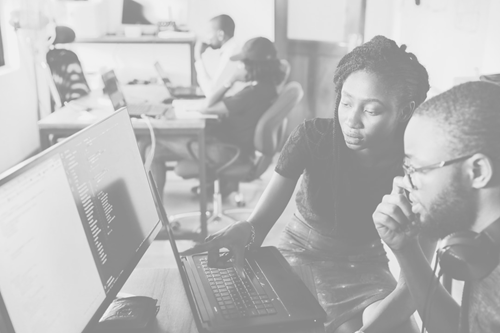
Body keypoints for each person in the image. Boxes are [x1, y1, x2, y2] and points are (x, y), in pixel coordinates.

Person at [182, 35, 430, 333]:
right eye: (346, 102)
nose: (351, 120)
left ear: (404, 111)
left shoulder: (417, 171)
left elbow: (415, 286)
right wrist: (244, 230)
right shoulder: (313, 138)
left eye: (371, 110)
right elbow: (258, 225)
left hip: (365, 269)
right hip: (298, 256)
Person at [373, 81, 500, 333]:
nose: (403, 183)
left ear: (477, 171)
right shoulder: (482, 245)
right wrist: (405, 248)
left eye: (415, 169)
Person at [150, 37, 285, 198]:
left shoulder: (250, 94)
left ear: (253, 66)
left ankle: (157, 211)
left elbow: (207, 107)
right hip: (236, 149)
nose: (240, 66)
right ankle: (158, 209)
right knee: (154, 150)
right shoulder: (267, 88)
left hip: (225, 152)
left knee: (150, 142)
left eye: (243, 63)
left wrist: (231, 80)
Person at [194, 14, 242, 99]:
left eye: (209, 32)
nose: (206, 37)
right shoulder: (230, 50)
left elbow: (211, 93)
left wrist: (198, 57)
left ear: (221, 34)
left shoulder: (231, 54)